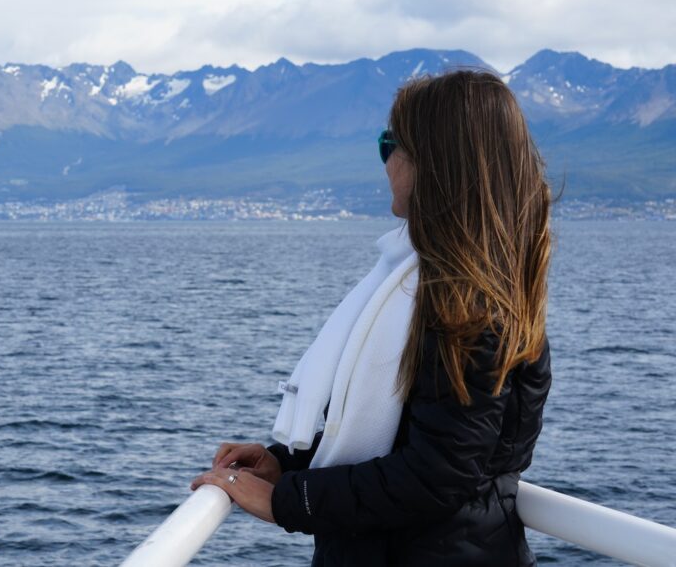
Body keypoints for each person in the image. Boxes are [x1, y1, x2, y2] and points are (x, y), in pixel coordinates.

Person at [192, 69, 553, 566]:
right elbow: (396, 430)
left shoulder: (471, 309)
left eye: (390, 145)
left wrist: (285, 502)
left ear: (435, 163)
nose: (385, 164)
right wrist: (285, 463)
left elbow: (434, 476)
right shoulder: (438, 288)